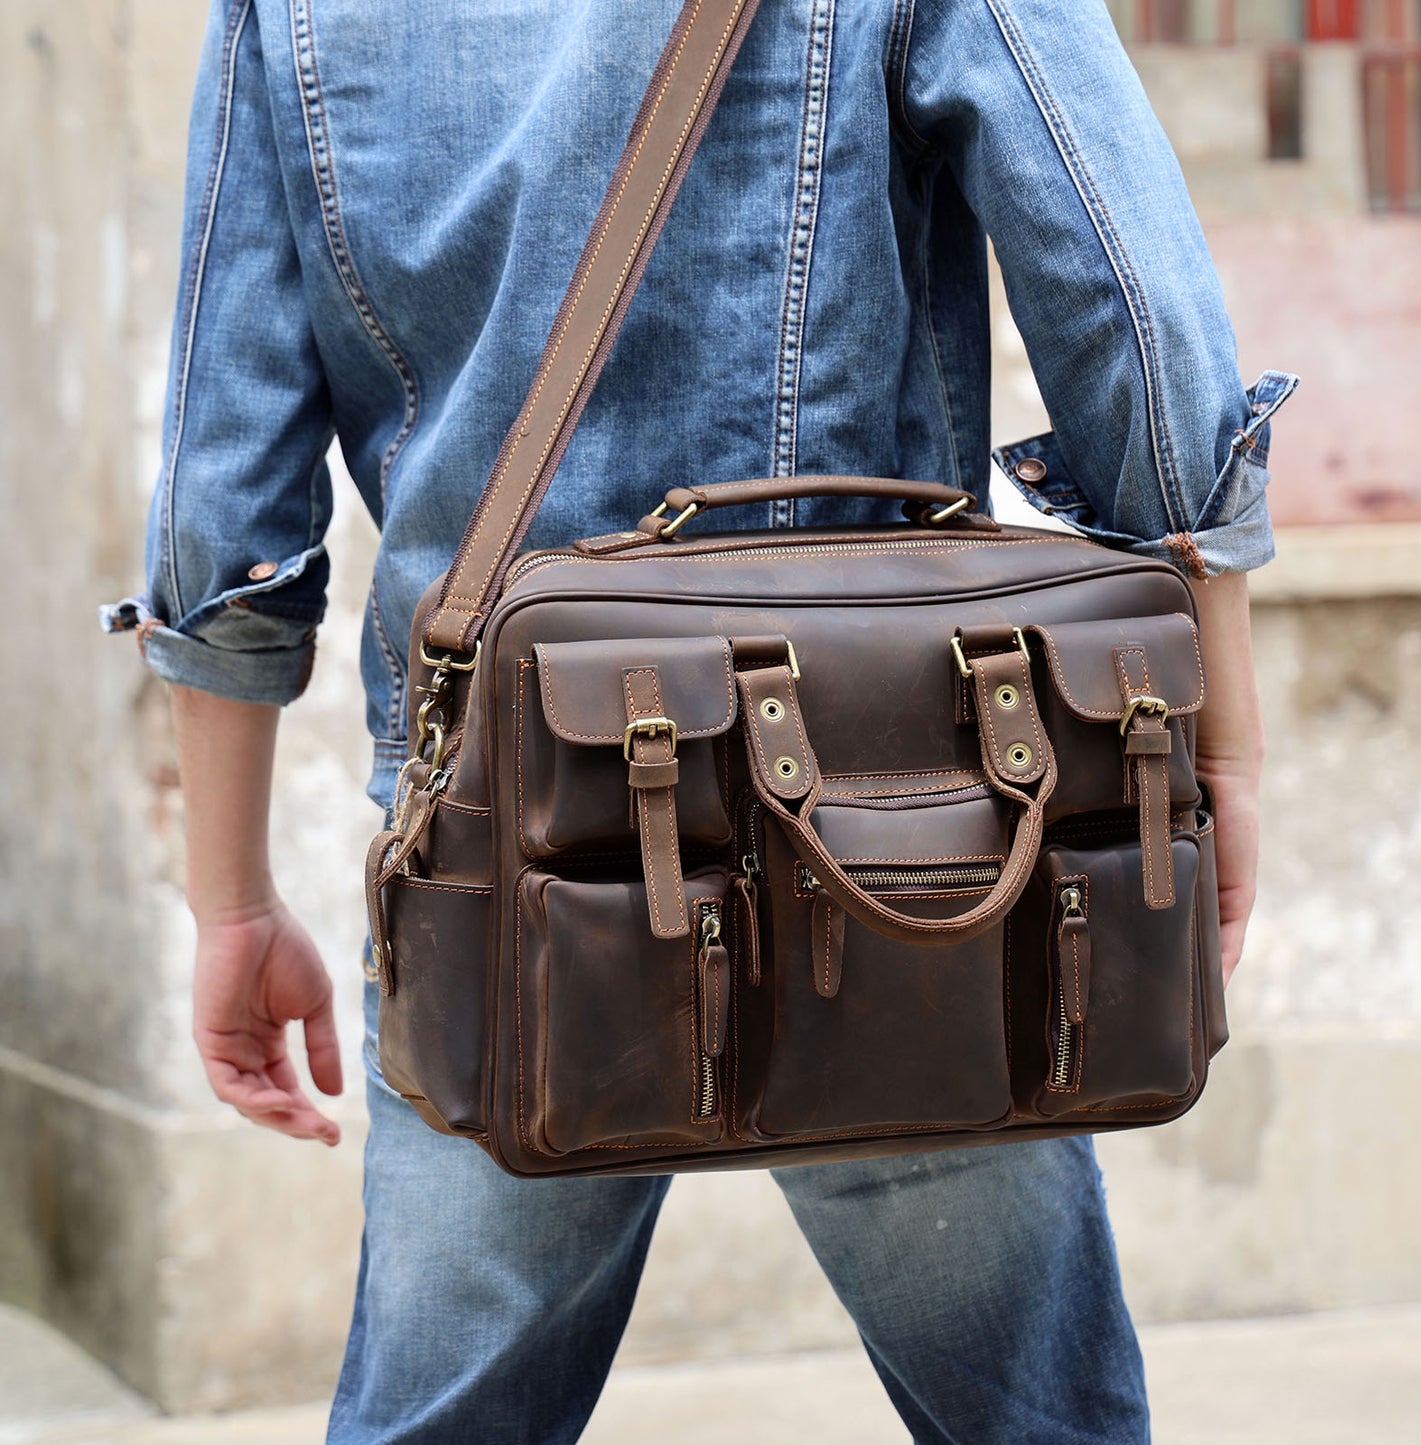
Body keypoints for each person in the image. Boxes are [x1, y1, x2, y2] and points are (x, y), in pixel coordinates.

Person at [102, 1, 1295, 1440]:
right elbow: (1127, 299)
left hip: (505, 862)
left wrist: (228, 900)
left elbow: (221, 499)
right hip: (901, 831)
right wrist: (1218, 731)